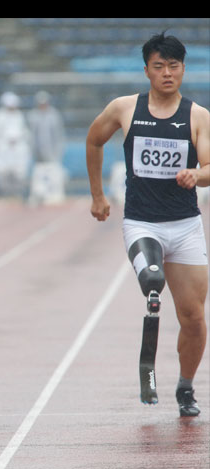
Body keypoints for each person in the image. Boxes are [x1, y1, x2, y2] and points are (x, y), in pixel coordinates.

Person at [86, 32, 209, 417]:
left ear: (183, 69)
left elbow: (209, 166)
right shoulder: (124, 109)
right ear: (146, 71)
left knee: (193, 318)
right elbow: (94, 141)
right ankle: (152, 294)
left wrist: (197, 175)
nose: (167, 73)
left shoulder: (198, 116)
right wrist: (98, 196)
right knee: (153, 280)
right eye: (159, 67)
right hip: (142, 224)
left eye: (174, 66)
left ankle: (185, 387)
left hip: (186, 226)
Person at [0, 91, 32, 198]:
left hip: (17, 149)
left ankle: (18, 193)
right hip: (3, 148)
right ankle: (4, 194)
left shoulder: (19, 115)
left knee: (19, 171)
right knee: (2, 171)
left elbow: (23, 132)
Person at [28, 91, 66, 164]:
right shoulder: (33, 115)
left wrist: (58, 151)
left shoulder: (54, 115)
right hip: (37, 153)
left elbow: (59, 134)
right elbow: (31, 134)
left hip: (52, 151)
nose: (43, 106)